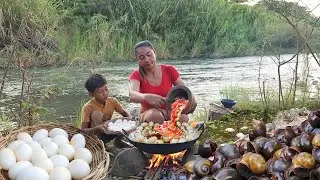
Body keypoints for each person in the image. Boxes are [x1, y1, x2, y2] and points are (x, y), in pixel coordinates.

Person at [129, 40, 196, 124]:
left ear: (154, 52)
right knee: (155, 116)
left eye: (149, 55)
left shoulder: (169, 70)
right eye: (141, 57)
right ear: (137, 60)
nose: (146, 59)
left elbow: (184, 90)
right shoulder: (136, 75)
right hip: (149, 113)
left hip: (168, 111)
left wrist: (186, 100)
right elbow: (132, 95)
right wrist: (147, 97)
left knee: (183, 119)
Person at [81, 74, 132, 140]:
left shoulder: (113, 101)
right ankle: (98, 143)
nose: (105, 93)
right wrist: (97, 128)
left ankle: (116, 142)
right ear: (91, 94)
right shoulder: (88, 107)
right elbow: (83, 130)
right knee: (97, 114)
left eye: (106, 89)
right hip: (94, 135)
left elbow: (124, 113)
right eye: (100, 92)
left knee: (121, 123)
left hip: (109, 131)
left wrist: (131, 120)